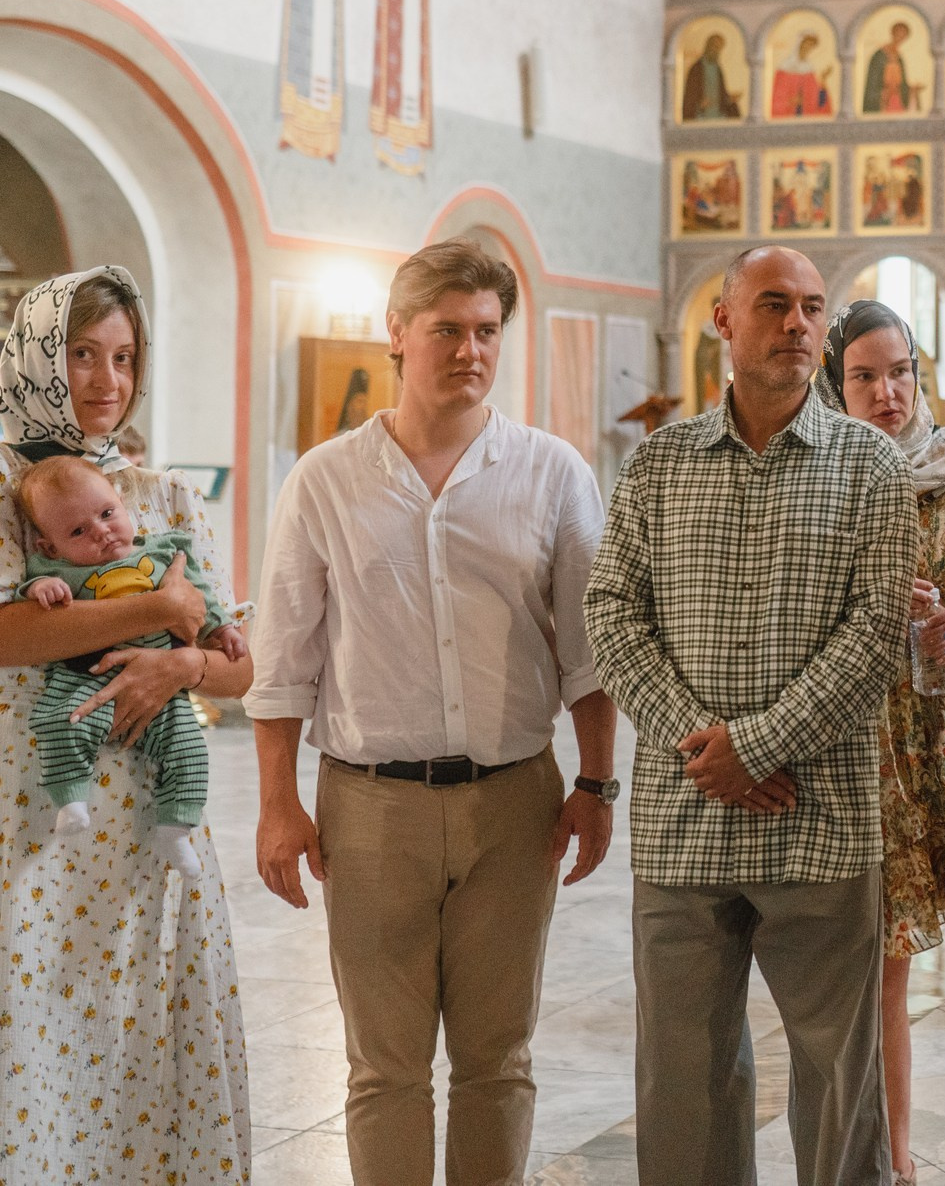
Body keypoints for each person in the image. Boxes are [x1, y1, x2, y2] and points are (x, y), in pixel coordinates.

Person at [251, 239, 612, 1182]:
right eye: (447, 330)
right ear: (397, 334)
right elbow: (282, 660)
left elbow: (589, 651)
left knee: (498, 1062)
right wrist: (278, 803)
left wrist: (599, 784)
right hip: (370, 809)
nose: (470, 351)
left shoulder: (552, 473)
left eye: (487, 331)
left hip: (513, 803)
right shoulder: (325, 480)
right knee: (385, 1068)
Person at [0, 267, 252, 1182]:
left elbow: (239, 661)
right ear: (35, 357)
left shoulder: (166, 496)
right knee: (29, 1024)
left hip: (150, 814)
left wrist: (184, 658)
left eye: (125, 358)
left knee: (138, 1028)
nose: (106, 380)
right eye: (83, 354)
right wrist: (159, 612)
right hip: (29, 802)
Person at [585, 245, 915, 1186]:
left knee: (839, 1087)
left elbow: (876, 629)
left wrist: (758, 746)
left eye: (814, 307)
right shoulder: (659, 464)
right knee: (683, 1087)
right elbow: (611, 612)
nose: (799, 325)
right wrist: (707, 751)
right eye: (775, 305)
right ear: (724, 321)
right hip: (686, 826)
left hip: (823, 819)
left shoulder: (869, 467)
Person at [817, 301, 945, 1186]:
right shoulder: (823, 483)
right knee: (882, 968)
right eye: (864, 375)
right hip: (872, 741)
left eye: (899, 371)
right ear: (837, 385)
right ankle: (894, 1166)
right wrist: (872, 614)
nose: (886, 392)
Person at [13, 457, 240, 869]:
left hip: (164, 680)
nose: (101, 531)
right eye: (78, 531)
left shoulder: (165, 551)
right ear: (51, 547)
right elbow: (28, 590)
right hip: (89, 674)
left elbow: (201, 595)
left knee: (189, 750)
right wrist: (42, 587)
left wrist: (222, 629)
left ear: (123, 504)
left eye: (107, 514)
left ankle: (176, 827)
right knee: (63, 720)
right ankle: (71, 798)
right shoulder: (59, 569)